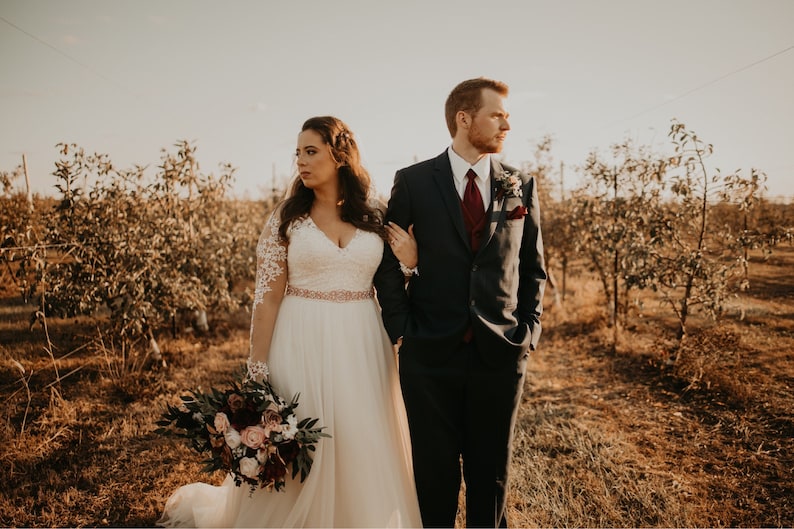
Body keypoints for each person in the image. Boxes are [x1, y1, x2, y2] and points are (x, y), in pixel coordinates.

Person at [158, 116, 422, 528]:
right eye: (297, 153)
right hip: (300, 337)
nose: (300, 161)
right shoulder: (287, 217)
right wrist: (257, 368)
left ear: (339, 156)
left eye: (310, 151)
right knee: (303, 442)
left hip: (364, 340)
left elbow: (390, 286)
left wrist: (410, 266)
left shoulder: (374, 213)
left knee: (361, 436)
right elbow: (265, 300)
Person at [374, 77, 547, 528]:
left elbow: (533, 268)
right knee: (434, 476)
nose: (507, 123)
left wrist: (528, 331)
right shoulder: (413, 182)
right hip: (429, 353)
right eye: (497, 114)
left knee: (491, 478)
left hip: (500, 353)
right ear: (464, 119)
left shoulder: (520, 185)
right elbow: (387, 263)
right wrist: (402, 329)